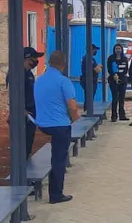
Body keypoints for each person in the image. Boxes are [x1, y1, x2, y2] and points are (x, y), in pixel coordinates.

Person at [33, 50, 79, 204]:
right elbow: (72, 106)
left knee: (56, 157)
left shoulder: (39, 80)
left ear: (49, 63)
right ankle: (56, 194)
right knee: (58, 160)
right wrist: (74, 119)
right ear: (63, 65)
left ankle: (54, 191)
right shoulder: (64, 81)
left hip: (42, 124)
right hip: (59, 125)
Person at [5, 47, 44, 159]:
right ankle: (20, 165)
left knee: (28, 140)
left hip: (30, 111)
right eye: (34, 59)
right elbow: (14, 93)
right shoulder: (16, 73)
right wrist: (21, 109)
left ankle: (26, 161)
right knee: (20, 142)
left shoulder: (28, 73)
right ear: (27, 58)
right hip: (22, 112)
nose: (36, 62)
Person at [106, 43, 130, 122]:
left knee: (121, 99)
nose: (118, 50)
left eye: (119, 49)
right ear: (114, 50)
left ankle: (122, 115)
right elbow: (109, 69)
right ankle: (114, 116)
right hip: (113, 80)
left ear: (122, 49)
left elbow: (126, 69)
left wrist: (120, 77)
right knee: (115, 98)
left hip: (123, 80)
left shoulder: (124, 59)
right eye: (116, 49)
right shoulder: (111, 58)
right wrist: (114, 75)